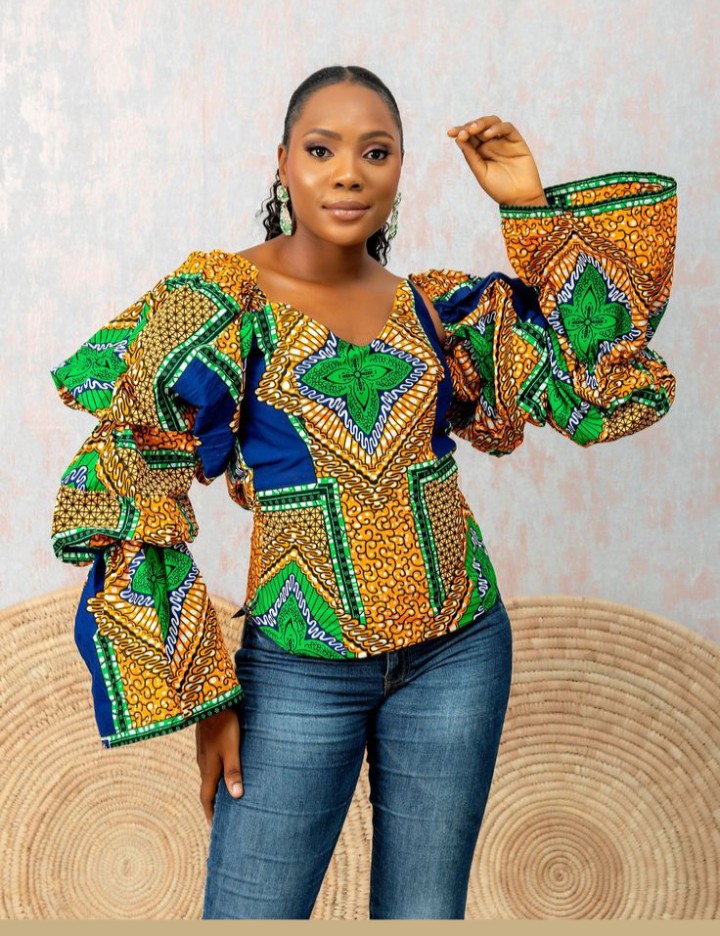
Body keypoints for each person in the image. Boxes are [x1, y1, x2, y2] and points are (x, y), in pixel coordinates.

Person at [49, 65, 678, 919]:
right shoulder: (219, 302)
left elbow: (599, 380)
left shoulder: (438, 309)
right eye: (322, 150)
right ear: (282, 163)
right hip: (297, 669)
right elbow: (126, 479)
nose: (348, 173)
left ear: (400, 169)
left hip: (459, 653)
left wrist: (528, 208)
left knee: (423, 916)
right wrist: (206, 698)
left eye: (375, 152)